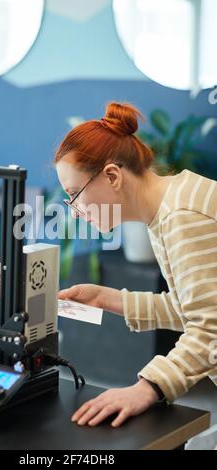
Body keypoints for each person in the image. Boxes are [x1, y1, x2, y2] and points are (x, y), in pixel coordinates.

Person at [54, 101, 217, 431]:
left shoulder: (181, 217)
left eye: (74, 194)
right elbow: (194, 306)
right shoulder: (171, 205)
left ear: (112, 176)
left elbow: (210, 327)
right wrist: (107, 299)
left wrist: (148, 388)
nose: (73, 210)